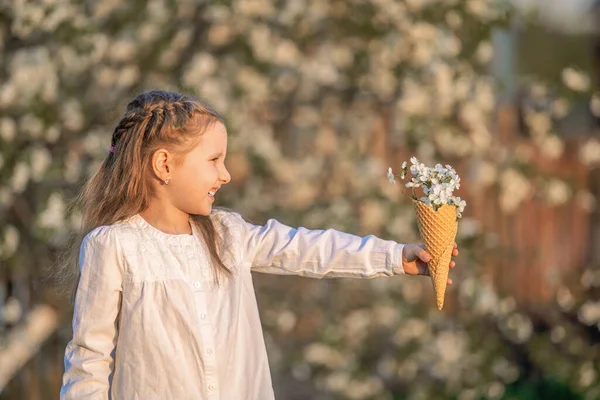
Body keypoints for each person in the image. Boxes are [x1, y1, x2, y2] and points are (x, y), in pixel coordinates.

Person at [58, 90, 459, 400]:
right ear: (164, 165)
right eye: (214, 160)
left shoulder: (229, 234)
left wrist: (393, 256)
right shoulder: (113, 247)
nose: (226, 174)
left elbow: (307, 249)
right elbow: (89, 361)